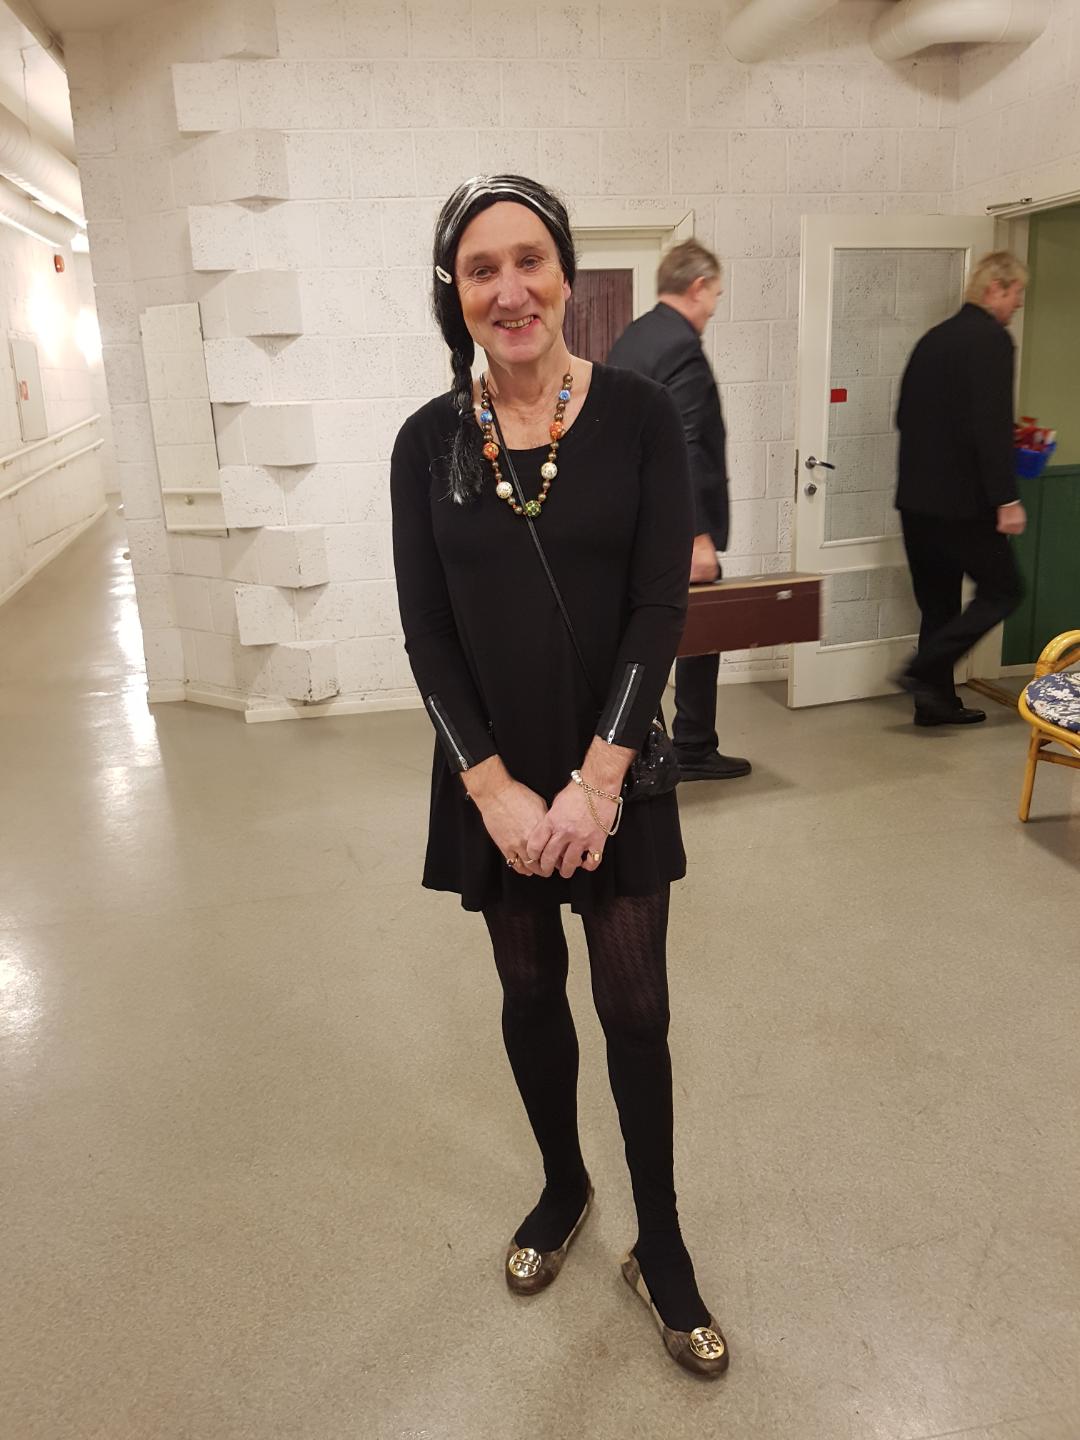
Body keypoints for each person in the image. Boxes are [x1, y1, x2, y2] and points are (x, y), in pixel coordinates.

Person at [390, 175, 728, 1378]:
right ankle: (564, 1184)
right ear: (455, 294)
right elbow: (427, 633)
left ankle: (661, 1241)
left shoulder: (637, 416)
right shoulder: (427, 444)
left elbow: (658, 604)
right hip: (496, 781)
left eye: (528, 259)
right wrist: (493, 789)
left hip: (612, 771)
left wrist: (599, 778)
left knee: (635, 1008)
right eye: (480, 269)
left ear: (567, 275)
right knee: (530, 991)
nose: (509, 288)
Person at [606, 239, 751, 783]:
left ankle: (638, 741)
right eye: (715, 294)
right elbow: (688, 445)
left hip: (633, 518)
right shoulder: (681, 348)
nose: (714, 306)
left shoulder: (635, 337)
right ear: (697, 287)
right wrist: (697, 536)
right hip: (672, 529)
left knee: (646, 632)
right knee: (694, 632)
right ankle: (691, 745)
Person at [893, 251, 1028, 726]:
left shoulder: (933, 339)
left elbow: (903, 417)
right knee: (1004, 590)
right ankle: (923, 670)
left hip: (915, 501)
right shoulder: (992, 340)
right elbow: (989, 426)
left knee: (939, 603)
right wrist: (1006, 499)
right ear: (995, 289)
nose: (1018, 304)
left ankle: (934, 703)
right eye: (1016, 293)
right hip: (963, 505)